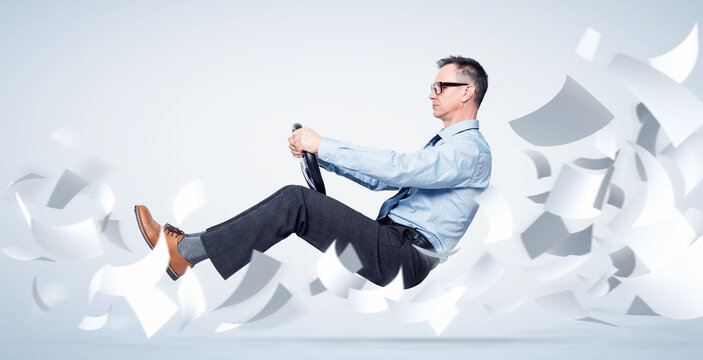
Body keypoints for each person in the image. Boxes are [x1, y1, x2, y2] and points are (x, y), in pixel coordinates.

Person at [135, 55, 491, 289]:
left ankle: (184, 252)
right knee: (296, 204)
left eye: (440, 87)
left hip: (404, 257)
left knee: (296, 202)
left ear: (467, 92)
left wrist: (323, 144)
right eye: (433, 86)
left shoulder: (469, 151)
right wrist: (320, 157)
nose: (432, 94)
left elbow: (398, 169)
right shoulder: (448, 148)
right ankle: (186, 251)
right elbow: (381, 179)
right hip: (393, 245)